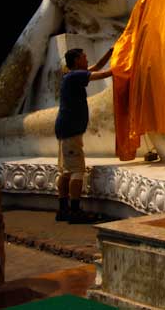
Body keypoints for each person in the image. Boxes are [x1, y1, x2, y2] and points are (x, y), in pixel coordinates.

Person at [55, 46, 113, 223]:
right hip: (71, 130)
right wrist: (126, 64)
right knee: (77, 171)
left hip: (66, 129)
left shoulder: (72, 75)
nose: (87, 59)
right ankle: (75, 210)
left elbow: (96, 68)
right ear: (77, 60)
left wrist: (110, 53)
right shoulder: (74, 76)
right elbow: (102, 74)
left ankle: (63, 209)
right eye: (84, 57)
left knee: (66, 171)